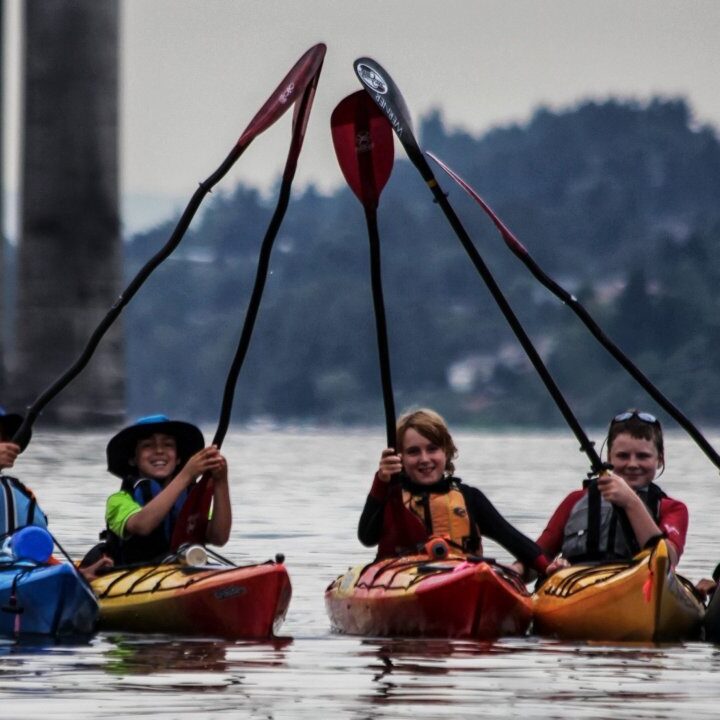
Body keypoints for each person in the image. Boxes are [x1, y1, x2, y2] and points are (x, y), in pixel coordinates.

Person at [358, 408, 550, 575]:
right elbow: (367, 537)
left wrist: (547, 568)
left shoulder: (469, 498)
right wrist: (381, 481)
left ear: (446, 452)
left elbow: (512, 538)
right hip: (402, 580)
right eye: (413, 452)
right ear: (400, 458)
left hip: (462, 578)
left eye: (432, 449)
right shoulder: (392, 496)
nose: (424, 459)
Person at [532, 410, 687, 575]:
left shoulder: (673, 509)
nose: (633, 464)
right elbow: (538, 557)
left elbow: (666, 560)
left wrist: (630, 502)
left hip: (637, 582)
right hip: (574, 584)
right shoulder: (575, 500)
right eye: (623, 456)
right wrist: (551, 568)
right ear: (609, 458)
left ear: (660, 460)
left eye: (643, 456)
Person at [98, 414, 231, 565]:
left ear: (178, 458)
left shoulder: (190, 499)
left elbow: (219, 538)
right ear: (133, 459)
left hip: (186, 573)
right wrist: (186, 474)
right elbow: (142, 526)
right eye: (147, 445)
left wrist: (220, 481)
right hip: (134, 576)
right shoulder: (118, 500)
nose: (159, 451)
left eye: (168, 445)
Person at [0, 407, 111, 579]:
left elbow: (36, 552)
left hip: (14, 579)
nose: (4, 444)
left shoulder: (18, 494)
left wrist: (77, 575)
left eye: (4, 437)